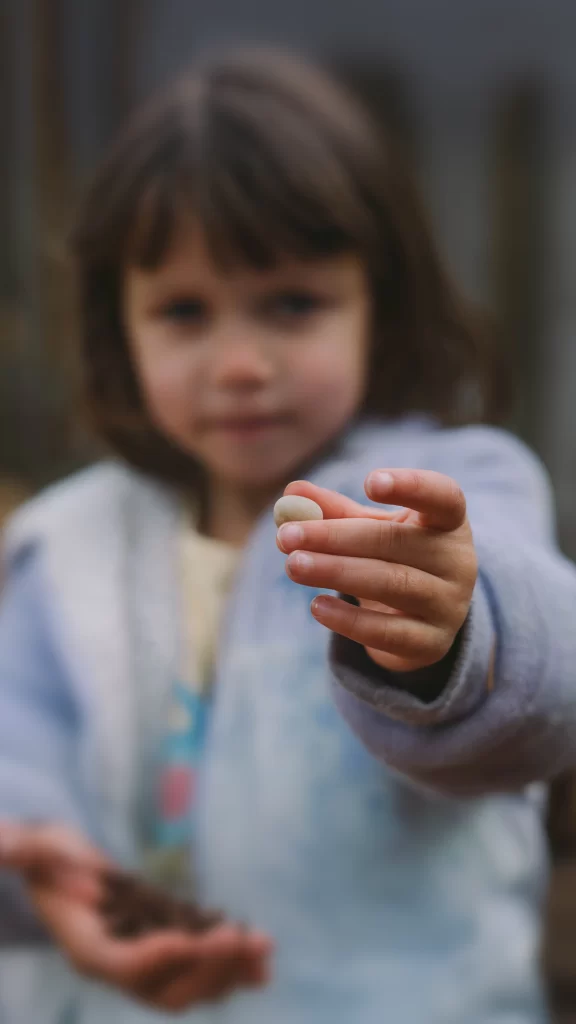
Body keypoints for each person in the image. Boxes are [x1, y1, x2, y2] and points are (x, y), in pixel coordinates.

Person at [0, 47, 574, 1024]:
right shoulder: (66, 544)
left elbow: (550, 678)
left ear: (378, 309)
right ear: (117, 327)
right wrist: (44, 878)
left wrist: (449, 631)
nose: (240, 363)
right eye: (184, 311)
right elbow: (18, 753)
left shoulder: (449, 494)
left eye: (293, 303)